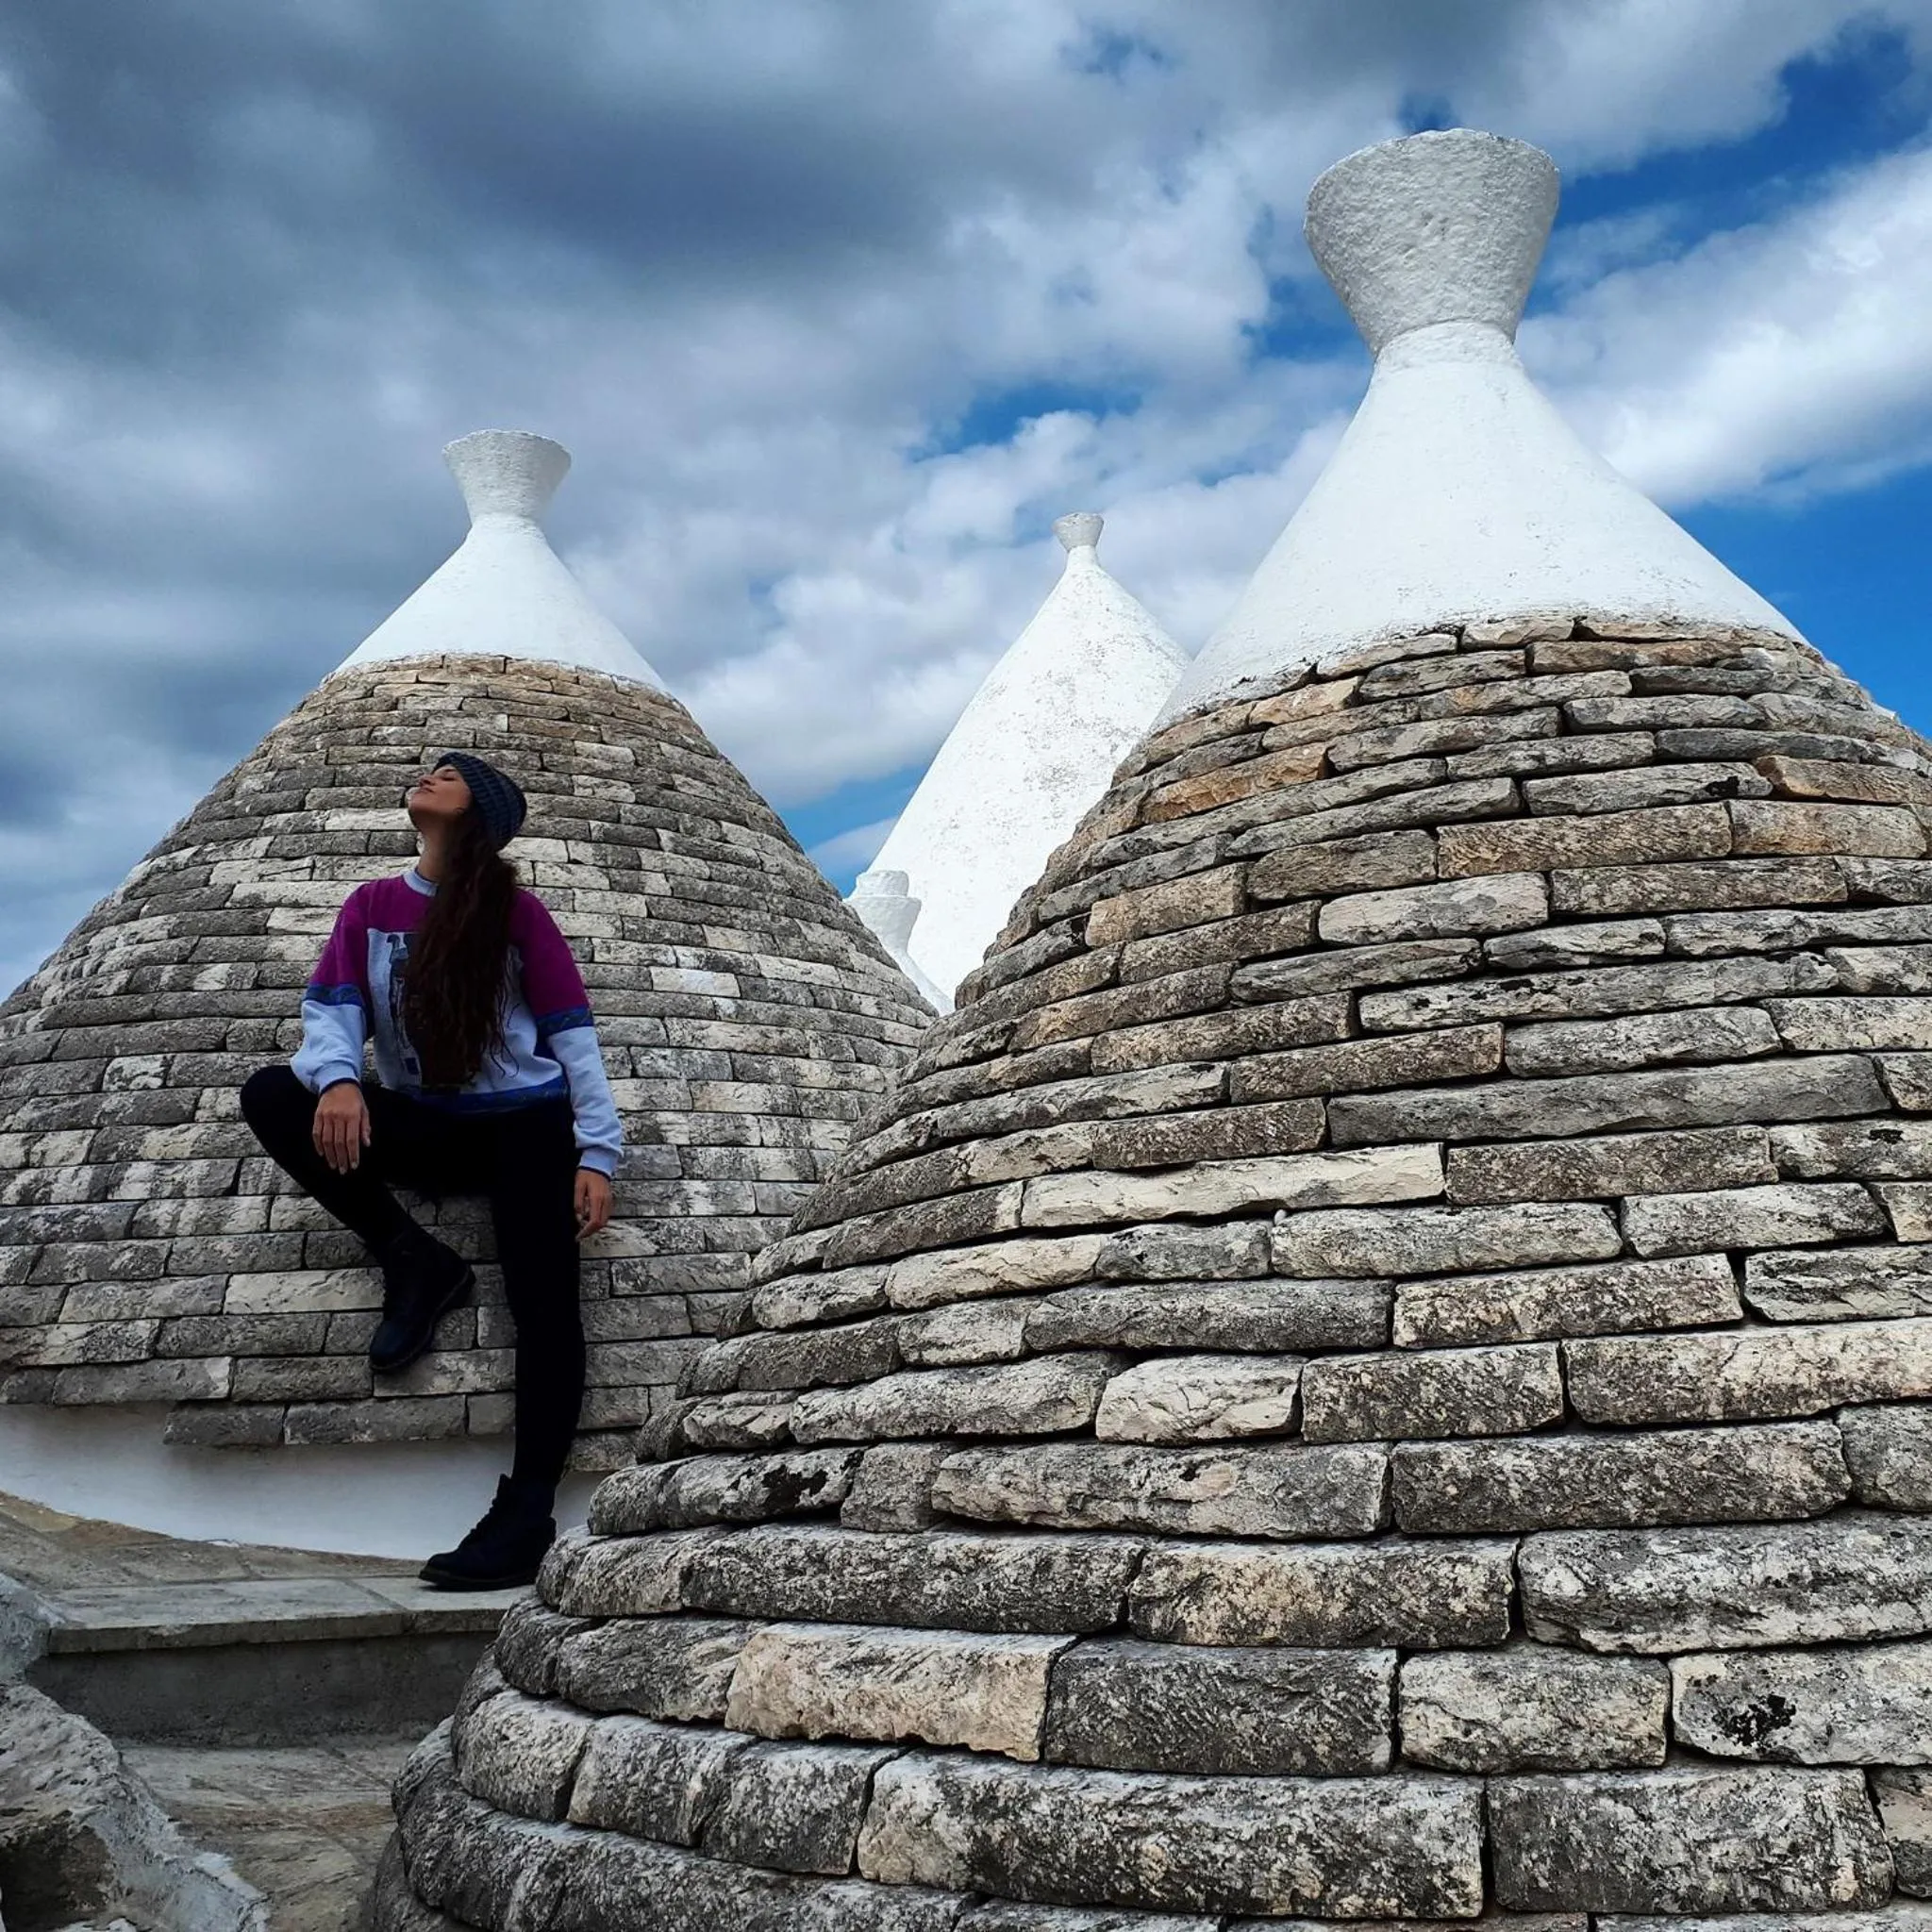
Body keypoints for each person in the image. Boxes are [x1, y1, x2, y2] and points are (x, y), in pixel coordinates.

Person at [239, 751, 621, 1589]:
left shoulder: (518, 913)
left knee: (547, 1307)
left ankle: (525, 1514)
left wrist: (596, 1153)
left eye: (449, 774)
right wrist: (338, 1081)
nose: (427, 775)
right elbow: (330, 1006)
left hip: (527, 1129)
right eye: (429, 770)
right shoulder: (372, 906)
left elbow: (571, 1034)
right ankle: (416, 1259)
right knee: (273, 1094)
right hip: (431, 1125)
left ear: (477, 811)